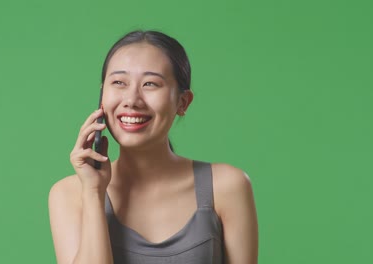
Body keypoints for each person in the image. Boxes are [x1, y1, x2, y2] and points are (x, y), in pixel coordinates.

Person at [48, 30, 258, 264]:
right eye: (118, 82)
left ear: (182, 102)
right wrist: (94, 193)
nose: (131, 100)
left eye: (150, 84)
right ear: (102, 96)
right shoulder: (69, 194)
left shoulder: (227, 186)